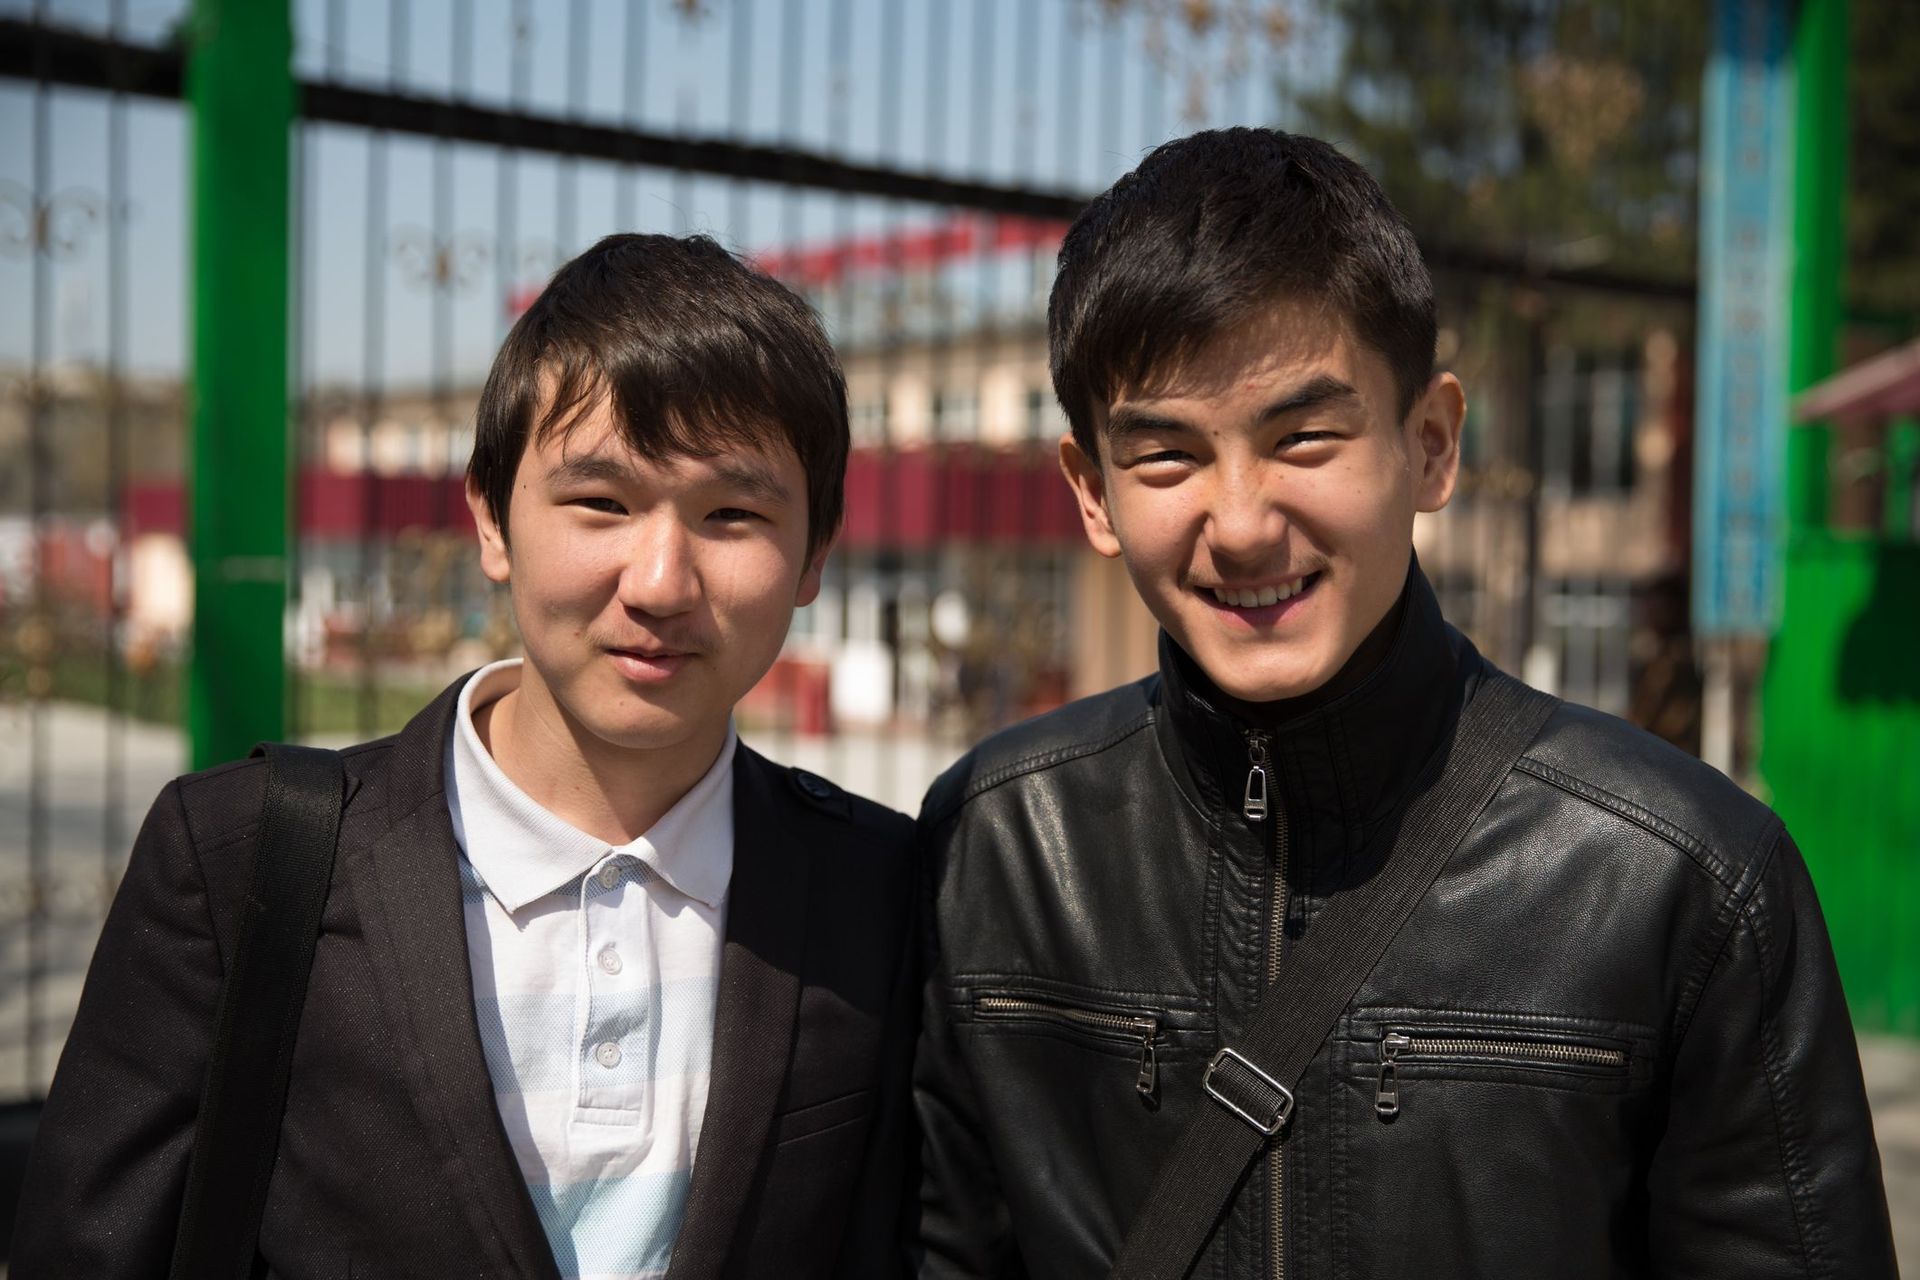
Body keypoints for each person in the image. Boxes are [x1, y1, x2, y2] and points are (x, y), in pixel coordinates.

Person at [911, 128, 1897, 1278]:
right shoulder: (998, 842)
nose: (1242, 524)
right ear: (1092, 493)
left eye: (1304, 437)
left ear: (1430, 444)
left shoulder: (1686, 876)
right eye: (1167, 456)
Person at [15, 234, 916, 1279]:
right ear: (491, 519)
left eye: (734, 514)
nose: (661, 582)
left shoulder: (879, 887)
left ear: (814, 553)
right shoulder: (241, 861)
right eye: (602, 502)